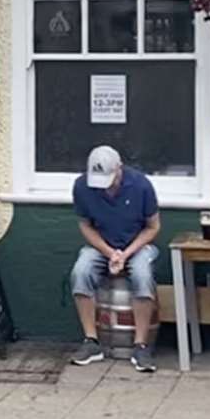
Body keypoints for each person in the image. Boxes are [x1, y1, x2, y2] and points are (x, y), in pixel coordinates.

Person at [68, 145, 162, 372]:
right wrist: (109, 252)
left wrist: (126, 253)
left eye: (109, 179)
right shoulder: (82, 186)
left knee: (142, 275)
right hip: (102, 246)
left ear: (119, 169)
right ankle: (91, 341)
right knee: (80, 271)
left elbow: (153, 227)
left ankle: (141, 345)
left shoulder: (141, 185)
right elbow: (85, 225)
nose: (105, 186)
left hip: (137, 245)